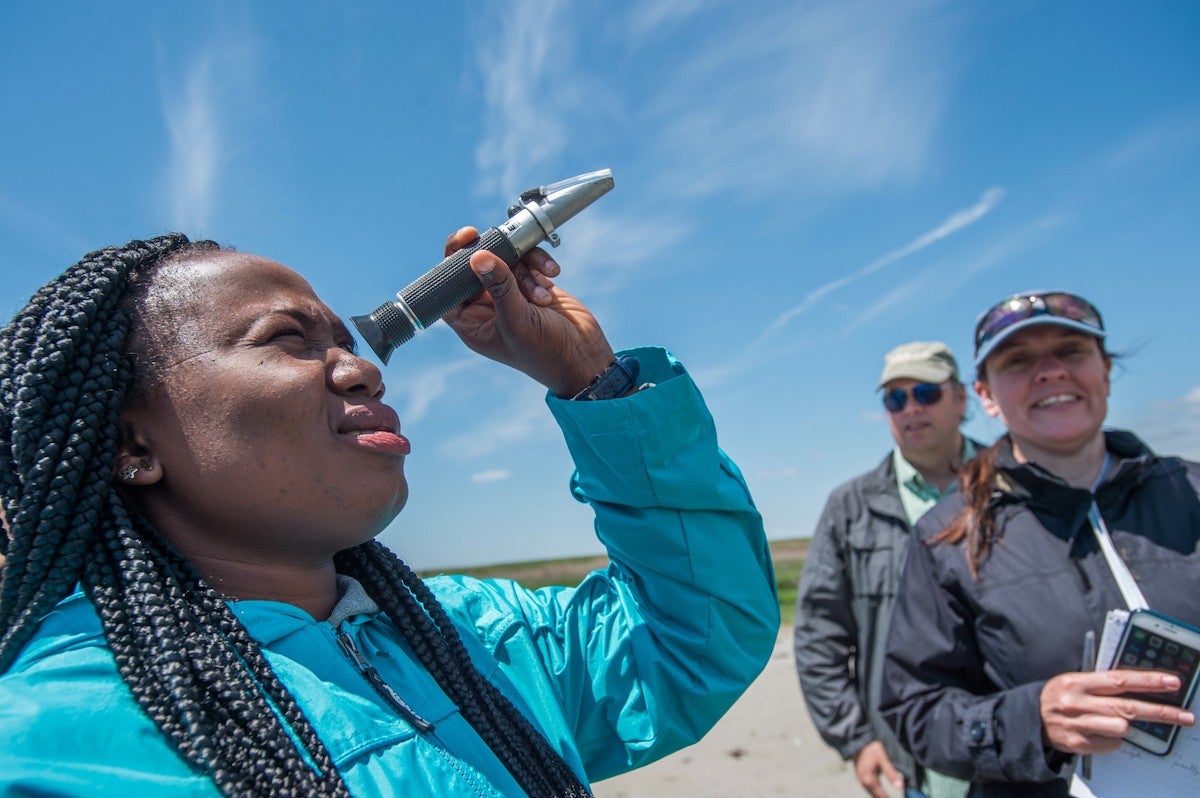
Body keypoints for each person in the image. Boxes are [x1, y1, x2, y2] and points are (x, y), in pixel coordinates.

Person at [0, 231, 780, 796]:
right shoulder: (55, 745)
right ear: (131, 444)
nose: (362, 368)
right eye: (285, 339)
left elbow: (695, 640)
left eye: (345, 339)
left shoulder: (474, 636)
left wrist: (592, 381)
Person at [881, 291, 1200, 797]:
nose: (1049, 372)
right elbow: (914, 709)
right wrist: (1033, 720)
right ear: (986, 395)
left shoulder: (1192, 494)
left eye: (1071, 351)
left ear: (1106, 371)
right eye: (1019, 361)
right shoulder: (949, 538)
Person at [794, 341, 977, 798]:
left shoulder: (1016, 483)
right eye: (895, 398)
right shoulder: (850, 508)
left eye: (926, 393)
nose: (910, 408)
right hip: (908, 765)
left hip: (1016, 757)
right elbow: (819, 635)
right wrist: (855, 739)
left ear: (962, 398)